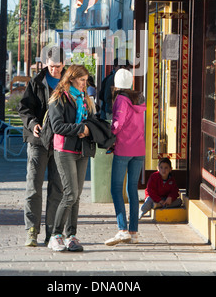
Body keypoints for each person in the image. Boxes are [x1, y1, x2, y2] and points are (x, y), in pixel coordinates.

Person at [18, 46, 65, 247]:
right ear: (46, 63)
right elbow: (24, 108)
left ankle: (53, 232)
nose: (55, 70)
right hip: (37, 141)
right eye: (52, 66)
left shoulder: (69, 81)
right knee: (33, 186)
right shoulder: (36, 82)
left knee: (58, 188)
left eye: (59, 66)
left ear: (64, 64)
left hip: (61, 142)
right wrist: (32, 124)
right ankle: (32, 230)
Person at [48, 64, 96, 252]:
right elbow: (57, 126)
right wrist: (80, 129)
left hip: (81, 150)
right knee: (70, 193)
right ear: (71, 79)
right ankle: (55, 235)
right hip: (64, 150)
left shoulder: (84, 98)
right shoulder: (59, 98)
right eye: (82, 80)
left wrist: (93, 129)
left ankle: (71, 236)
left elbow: (90, 120)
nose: (85, 84)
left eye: (86, 80)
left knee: (76, 196)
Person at [105, 68, 146, 246]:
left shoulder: (121, 99)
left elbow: (118, 124)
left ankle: (122, 229)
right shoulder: (139, 98)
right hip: (139, 150)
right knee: (132, 191)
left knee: (115, 188)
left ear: (116, 84)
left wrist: (108, 134)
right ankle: (134, 232)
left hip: (123, 149)